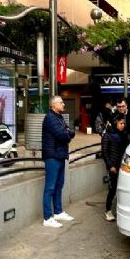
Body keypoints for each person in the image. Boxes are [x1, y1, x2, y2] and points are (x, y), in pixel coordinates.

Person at [41, 95, 76, 228]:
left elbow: (70, 132)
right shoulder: (50, 118)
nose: (63, 105)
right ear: (53, 105)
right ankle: (47, 217)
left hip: (60, 156)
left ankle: (58, 212)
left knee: (59, 185)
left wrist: (67, 132)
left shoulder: (59, 117)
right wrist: (67, 133)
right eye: (61, 103)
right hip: (52, 157)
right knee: (50, 187)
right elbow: (63, 135)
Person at [101, 115, 128, 221]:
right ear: (115, 122)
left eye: (124, 123)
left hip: (123, 166)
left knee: (121, 189)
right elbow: (104, 152)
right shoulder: (107, 135)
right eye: (121, 123)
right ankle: (108, 211)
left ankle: (119, 209)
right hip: (113, 166)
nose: (123, 125)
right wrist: (110, 165)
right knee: (112, 190)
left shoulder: (123, 135)